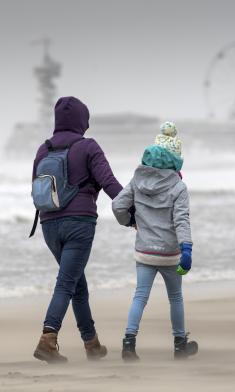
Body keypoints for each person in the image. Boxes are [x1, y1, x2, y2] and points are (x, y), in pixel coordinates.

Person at [32, 96, 123, 363]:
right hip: (79, 224)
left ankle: (91, 343)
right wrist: (134, 213)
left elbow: (36, 190)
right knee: (66, 283)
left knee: (76, 283)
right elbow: (110, 184)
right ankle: (48, 339)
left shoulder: (43, 149)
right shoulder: (88, 146)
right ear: (82, 120)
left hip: (48, 225)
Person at [112, 122, 198, 361]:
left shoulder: (136, 180)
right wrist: (187, 248)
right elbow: (182, 221)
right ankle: (180, 345)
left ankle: (129, 344)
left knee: (140, 296)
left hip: (145, 252)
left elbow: (117, 205)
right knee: (175, 298)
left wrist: (129, 220)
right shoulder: (179, 186)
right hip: (170, 254)